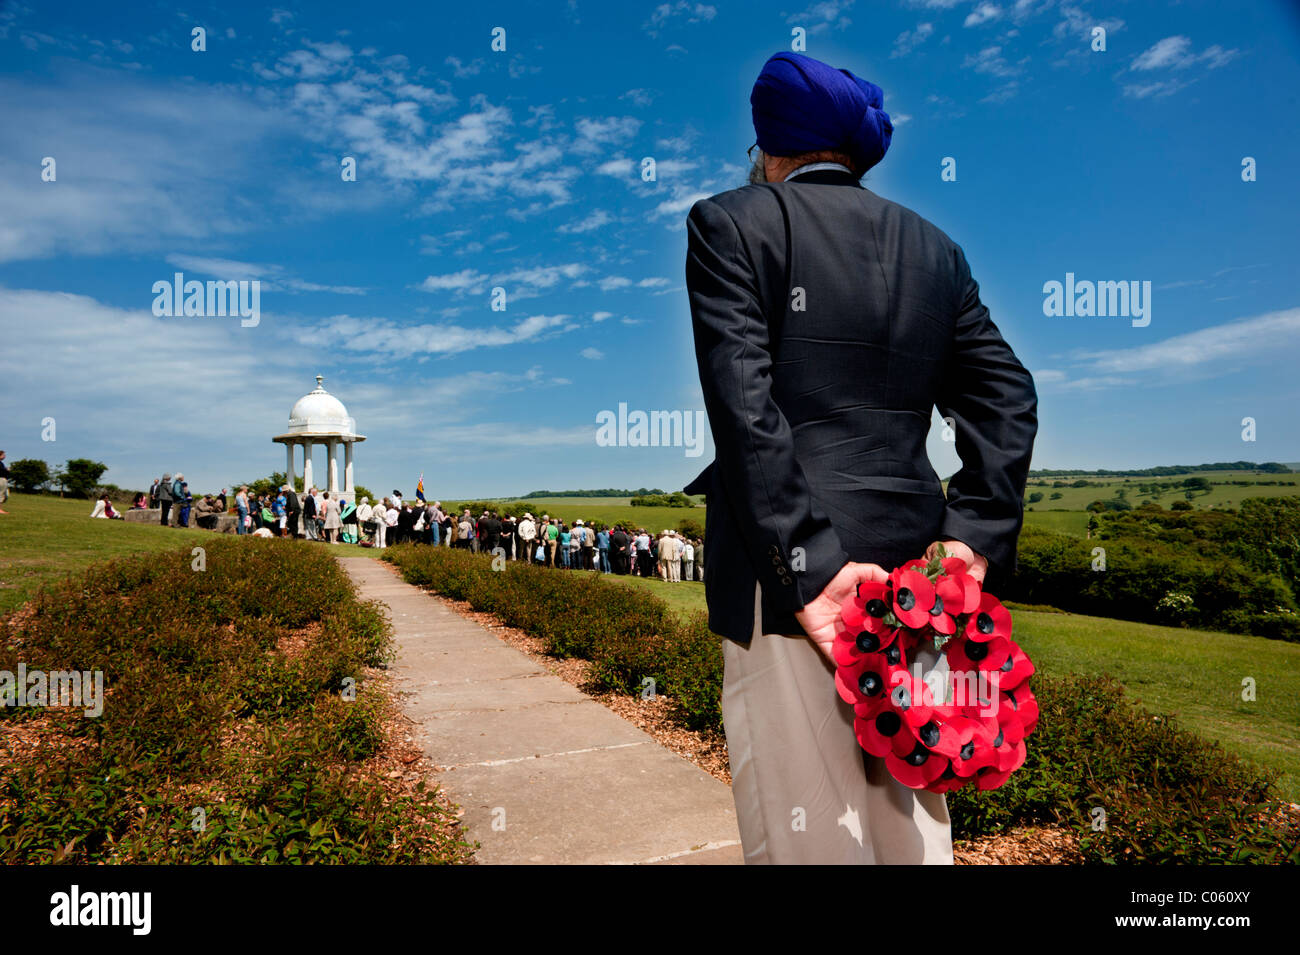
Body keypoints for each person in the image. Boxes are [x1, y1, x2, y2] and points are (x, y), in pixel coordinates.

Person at [682, 52, 1037, 865]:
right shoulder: (935, 251)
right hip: (914, 591)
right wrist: (967, 543)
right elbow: (1008, 398)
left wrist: (809, 565)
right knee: (911, 833)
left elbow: (747, 408)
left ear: (770, 149)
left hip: (792, 591)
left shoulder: (732, 222)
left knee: (807, 834)